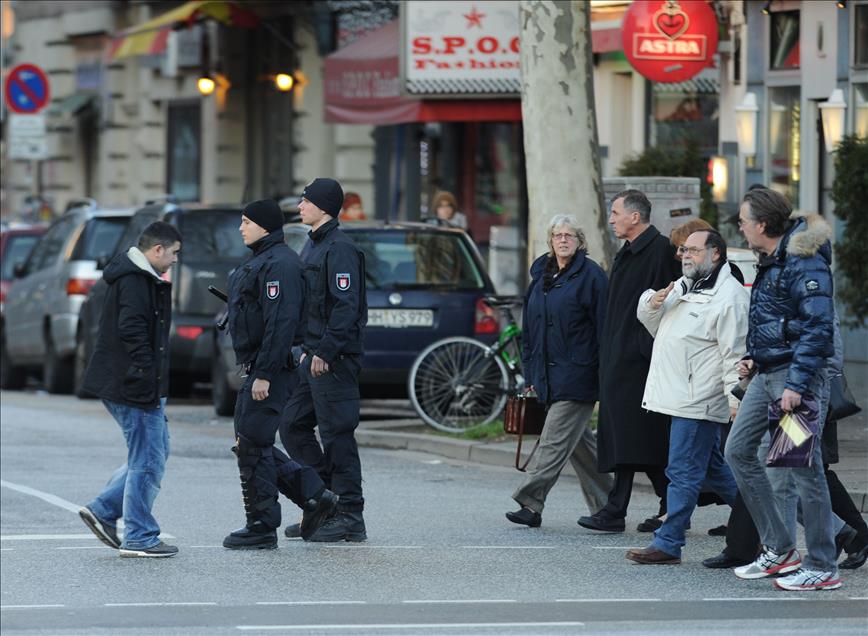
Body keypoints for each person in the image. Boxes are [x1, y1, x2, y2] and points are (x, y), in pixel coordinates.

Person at [724, 188, 841, 591]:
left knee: (803, 471)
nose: (740, 227)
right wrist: (756, 355)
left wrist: (796, 383)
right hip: (768, 373)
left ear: (761, 224)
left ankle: (823, 564)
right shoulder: (773, 260)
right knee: (737, 450)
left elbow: (817, 328)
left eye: (743, 220)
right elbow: (779, 319)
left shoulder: (803, 260)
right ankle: (780, 548)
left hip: (796, 379)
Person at [222, 199, 338, 550]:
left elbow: (282, 324)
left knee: (252, 443)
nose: (241, 228)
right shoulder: (262, 259)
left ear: (264, 226)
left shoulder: (281, 265)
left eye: (246, 222)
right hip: (260, 365)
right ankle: (315, 496)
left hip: (271, 369)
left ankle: (261, 525)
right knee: (250, 441)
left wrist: (265, 374)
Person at [625, 229, 746, 564]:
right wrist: (652, 301)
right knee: (716, 472)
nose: (685, 256)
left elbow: (734, 355)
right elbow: (655, 325)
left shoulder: (729, 297)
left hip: (698, 399)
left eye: (693, 250)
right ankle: (822, 527)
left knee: (681, 471)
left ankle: (668, 542)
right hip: (680, 393)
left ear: (715, 254)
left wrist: (735, 402)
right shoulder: (683, 285)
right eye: (683, 250)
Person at [578, 189, 681, 534]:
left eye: (616, 213)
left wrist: (640, 348)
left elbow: (670, 303)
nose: (611, 219)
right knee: (629, 435)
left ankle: (650, 508)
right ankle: (628, 508)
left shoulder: (661, 250)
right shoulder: (629, 251)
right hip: (620, 358)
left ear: (635, 217)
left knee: (638, 435)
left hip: (640, 362)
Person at [78, 222, 182, 558]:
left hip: (132, 382)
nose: (176, 260)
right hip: (134, 384)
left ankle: (105, 510)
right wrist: (146, 372)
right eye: (174, 253)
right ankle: (138, 535)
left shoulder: (138, 276)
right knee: (148, 460)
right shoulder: (136, 280)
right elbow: (132, 328)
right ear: (157, 250)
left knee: (154, 452)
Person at [505, 215, 613, 528]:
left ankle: (530, 502)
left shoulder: (592, 276)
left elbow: (603, 328)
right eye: (557, 235)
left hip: (579, 373)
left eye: (569, 235)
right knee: (582, 447)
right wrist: (531, 372)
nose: (563, 240)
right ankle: (609, 504)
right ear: (550, 241)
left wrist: (603, 374)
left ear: (580, 241)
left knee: (552, 441)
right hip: (547, 374)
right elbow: (531, 327)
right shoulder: (542, 276)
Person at [279, 178, 368, 542]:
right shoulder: (313, 246)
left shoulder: (340, 249)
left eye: (306, 200)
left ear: (324, 206)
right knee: (292, 424)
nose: (300, 205)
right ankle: (322, 499)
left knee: (337, 435)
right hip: (311, 357)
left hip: (333, 359)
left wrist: (325, 352)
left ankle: (350, 513)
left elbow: (346, 308)